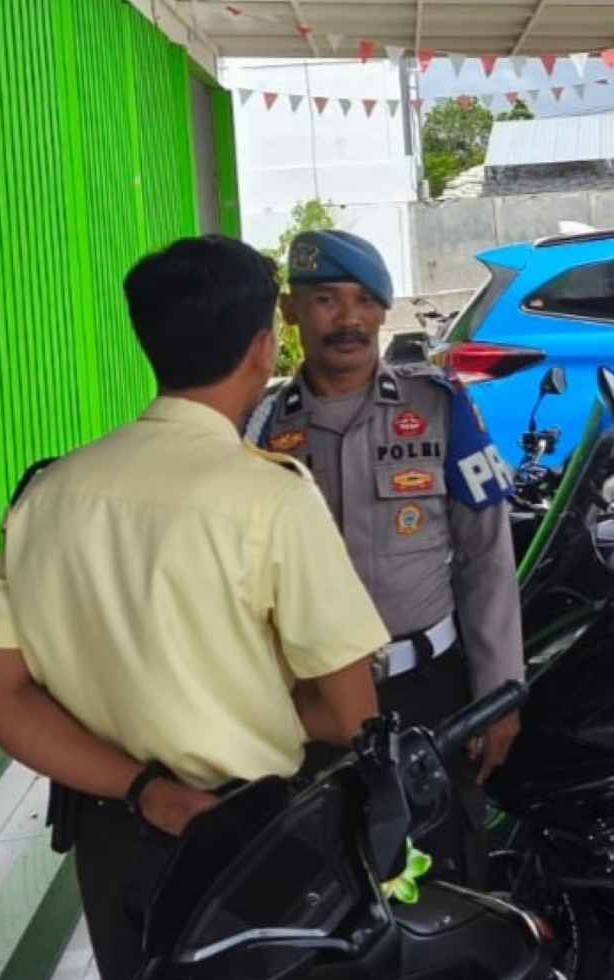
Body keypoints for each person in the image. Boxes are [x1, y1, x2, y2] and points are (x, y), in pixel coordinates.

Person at [0, 234, 391, 980]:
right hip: (252, 842)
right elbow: (349, 715)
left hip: (113, 842)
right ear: (262, 348)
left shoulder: (49, 495)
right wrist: (258, 704)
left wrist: (145, 790)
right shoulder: (270, 499)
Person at [245, 230, 523, 880]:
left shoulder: (439, 406)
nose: (348, 319)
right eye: (326, 299)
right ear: (290, 311)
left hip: (430, 691)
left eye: (365, 300)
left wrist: (499, 693)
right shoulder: (259, 426)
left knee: (446, 868)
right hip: (309, 701)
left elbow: (486, 556)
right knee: (325, 874)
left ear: (382, 310)